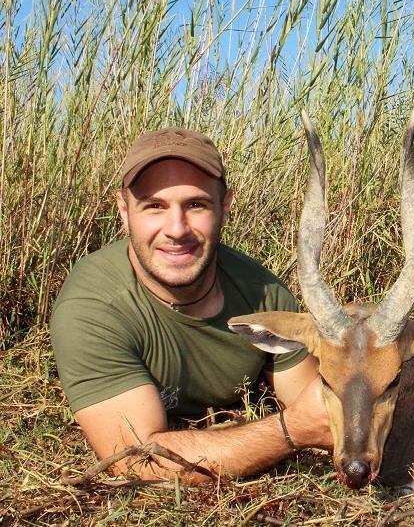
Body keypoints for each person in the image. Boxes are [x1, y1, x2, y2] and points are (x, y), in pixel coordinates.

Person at [50, 127, 331, 483]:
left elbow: (316, 405)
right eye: (154, 206)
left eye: (196, 204)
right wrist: (290, 431)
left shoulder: (263, 292)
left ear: (225, 205)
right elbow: (138, 460)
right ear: (124, 211)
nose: (176, 229)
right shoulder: (93, 309)